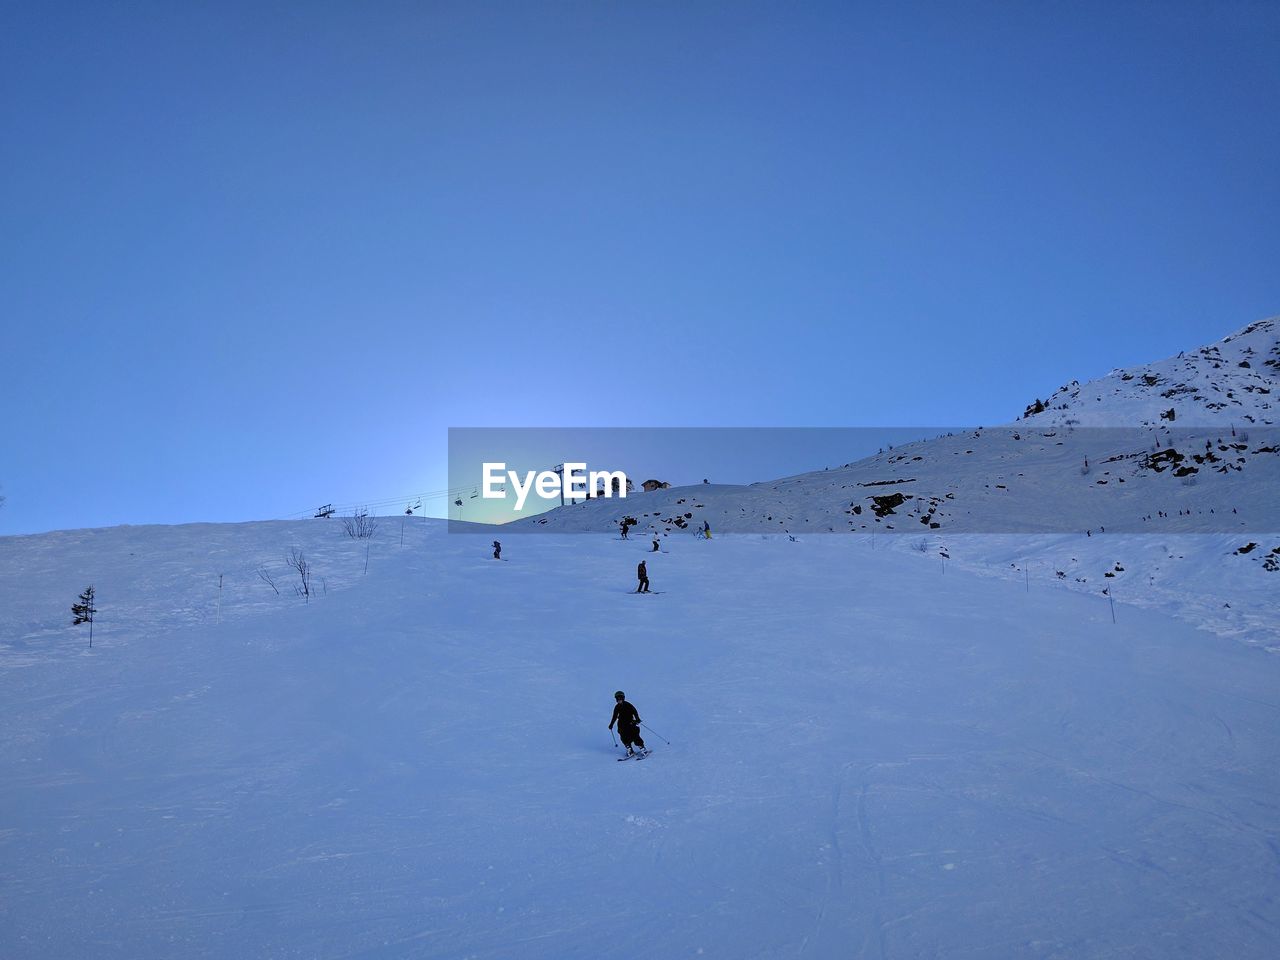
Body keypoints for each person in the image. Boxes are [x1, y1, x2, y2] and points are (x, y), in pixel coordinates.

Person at [609, 690, 646, 756]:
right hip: (621, 724)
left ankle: (642, 748)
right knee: (623, 736)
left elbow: (634, 711)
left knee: (634, 735)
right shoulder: (617, 707)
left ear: (623, 698)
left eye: (620, 698)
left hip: (630, 723)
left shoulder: (628, 705)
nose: (619, 700)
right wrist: (611, 724)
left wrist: (637, 719)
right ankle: (629, 749)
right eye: (617, 699)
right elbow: (614, 716)